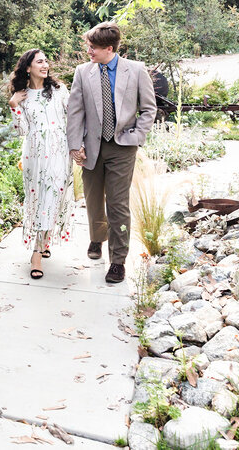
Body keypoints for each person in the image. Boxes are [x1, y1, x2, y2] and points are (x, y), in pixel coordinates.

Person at [66, 22, 156, 284]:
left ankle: (118, 260)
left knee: (117, 204)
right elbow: (75, 111)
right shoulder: (83, 72)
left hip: (122, 146)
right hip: (92, 146)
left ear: (109, 48)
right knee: (93, 199)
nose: (88, 52)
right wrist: (75, 144)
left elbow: (149, 109)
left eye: (92, 48)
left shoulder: (136, 70)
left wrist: (137, 136)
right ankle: (97, 237)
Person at [9, 49, 72, 280]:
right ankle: (42, 242)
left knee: (52, 197)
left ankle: (37, 252)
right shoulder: (22, 96)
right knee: (38, 200)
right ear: (28, 67)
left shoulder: (59, 91)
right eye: (39, 62)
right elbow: (22, 131)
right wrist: (14, 105)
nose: (45, 65)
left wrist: (79, 146)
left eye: (46, 61)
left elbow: (74, 118)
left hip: (58, 152)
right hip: (34, 155)